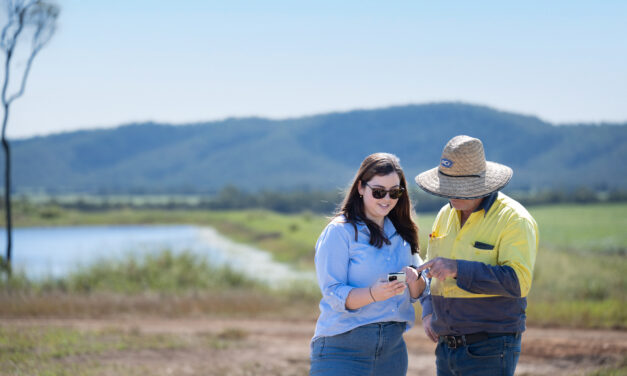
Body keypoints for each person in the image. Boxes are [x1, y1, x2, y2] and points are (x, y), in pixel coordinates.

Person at [413, 135, 539, 376]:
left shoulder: (514, 219)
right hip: (445, 348)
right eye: (448, 187)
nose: (451, 194)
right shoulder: (444, 215)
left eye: (459, 188)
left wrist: (458, 268)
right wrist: (428, 310)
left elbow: (518, 282)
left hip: (490, 348)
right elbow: (431, 272)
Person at [310, 152, 427, 376]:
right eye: (378, 192)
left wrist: (416, 280)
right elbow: (333, 293)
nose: (387, 199)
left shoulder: (403, 233)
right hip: (342, 350)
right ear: (361, 188)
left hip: (392, 354)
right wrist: (373, 294)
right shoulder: (339, 232)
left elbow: (420, 290)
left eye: (395, 192)